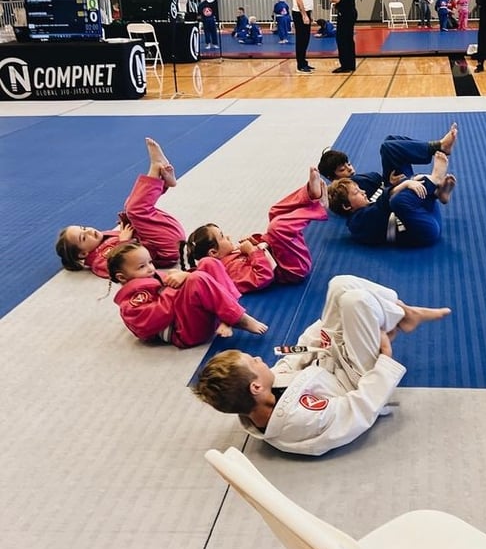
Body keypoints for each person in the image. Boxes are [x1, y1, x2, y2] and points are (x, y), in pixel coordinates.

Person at [193, 274, 451, 455]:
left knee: (339, 285)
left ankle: (403, 313)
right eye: (253, 361)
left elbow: (295, 356)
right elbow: (357, 409)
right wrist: (385, 359)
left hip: (332, 358)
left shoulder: (263, 392)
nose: (260, 359)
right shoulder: (299, 421)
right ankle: (404, 314)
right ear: (255, 387)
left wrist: (328, 331)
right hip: (358, 380)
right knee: (356, 301)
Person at [180, 168, 329, 294]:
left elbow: (263, 251)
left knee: (274, 212)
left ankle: (310, 195)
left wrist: (255, 242)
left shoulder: (230, 256)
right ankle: (319, 207)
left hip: (281, 255)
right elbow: (263, 277)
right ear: (214, 253)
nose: (228, 236)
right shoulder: (229, 271)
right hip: (292, 268)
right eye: (222, 237)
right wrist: (252, 251)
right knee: (276, 227)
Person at [55, 138, 185, 279]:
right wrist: (124, 242)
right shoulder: (98, 261)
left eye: (84, 228)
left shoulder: (104, 238)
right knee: (135, 209)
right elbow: (120, 269)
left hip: (164, 238)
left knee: (130, 206)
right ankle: (156, 169)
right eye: (84, 237)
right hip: (165, 250)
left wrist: (127, 222)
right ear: (83, 253)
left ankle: (163, 181)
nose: (89, 231)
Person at [107, 242, 268, 348]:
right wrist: (178, 283)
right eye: (142, 266)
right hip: (185, 332)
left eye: (150, 262)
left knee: (208, 263)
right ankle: (239, 319)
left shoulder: (152, 278)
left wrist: (181, 275)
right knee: (197, 279)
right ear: (122, 277)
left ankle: (228, 315)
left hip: (189, 316)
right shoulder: (131, 303)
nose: (150, 268)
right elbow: (158, 316)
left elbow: (177, 286)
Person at [327, 151, 456, 247]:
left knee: (410, 185)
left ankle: (437, 193)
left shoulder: (362, 212)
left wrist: (409, 181)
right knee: (398, 201)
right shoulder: (357, 223)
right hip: (426, 232)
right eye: (357, 192)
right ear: (347, 206)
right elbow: (383, 204)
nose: (363, 192)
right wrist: (406, 184)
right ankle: (435, 180)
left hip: (428, 216)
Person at [318, 123, 458, 199]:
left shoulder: (353, 180)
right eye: (342, 169)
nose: (349, 168)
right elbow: (371, 202)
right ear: (332, 178)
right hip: (392, 192)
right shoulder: (344, 190)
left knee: (390, 140)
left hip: (389, 183)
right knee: (388, 148)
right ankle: (439, 147)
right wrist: (391, 186)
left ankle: (437, 192)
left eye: (348, 164)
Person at [330, 0, 357, 73]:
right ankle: (351, 64)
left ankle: (345, 65)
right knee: (349, 39)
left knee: (342, 39)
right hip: (351, 12)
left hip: (344, 13)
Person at [291, 0, 315, 73]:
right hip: (299, 13)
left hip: (306, 12)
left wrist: (309, 13)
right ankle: (300, 65)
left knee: (305, 39)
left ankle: (304, 61)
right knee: (301, 39)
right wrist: (304, 14)